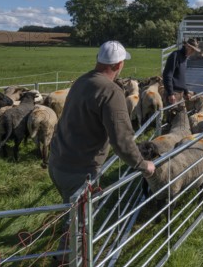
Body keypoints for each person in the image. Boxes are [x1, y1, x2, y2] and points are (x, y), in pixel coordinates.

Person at [48, 40, 155, 264]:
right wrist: (143, 165)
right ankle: (69, 261)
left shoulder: (82, 81)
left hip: (58, 162)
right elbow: (122, 139)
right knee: (79, 224)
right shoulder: (111, 91)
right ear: (118, 65)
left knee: (73, 214)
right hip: (79, 169)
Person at [162, 38, 200, 105]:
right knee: (172, 115)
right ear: (186, 46)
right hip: (173, 95)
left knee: (183, 115)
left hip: (181, 94)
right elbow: (167, 75)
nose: (193, 52)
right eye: (192, 49)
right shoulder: (175, 55)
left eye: (194, 50)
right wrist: (170, 93)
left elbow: (181, 78)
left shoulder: (184, 58)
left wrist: (186, 92)